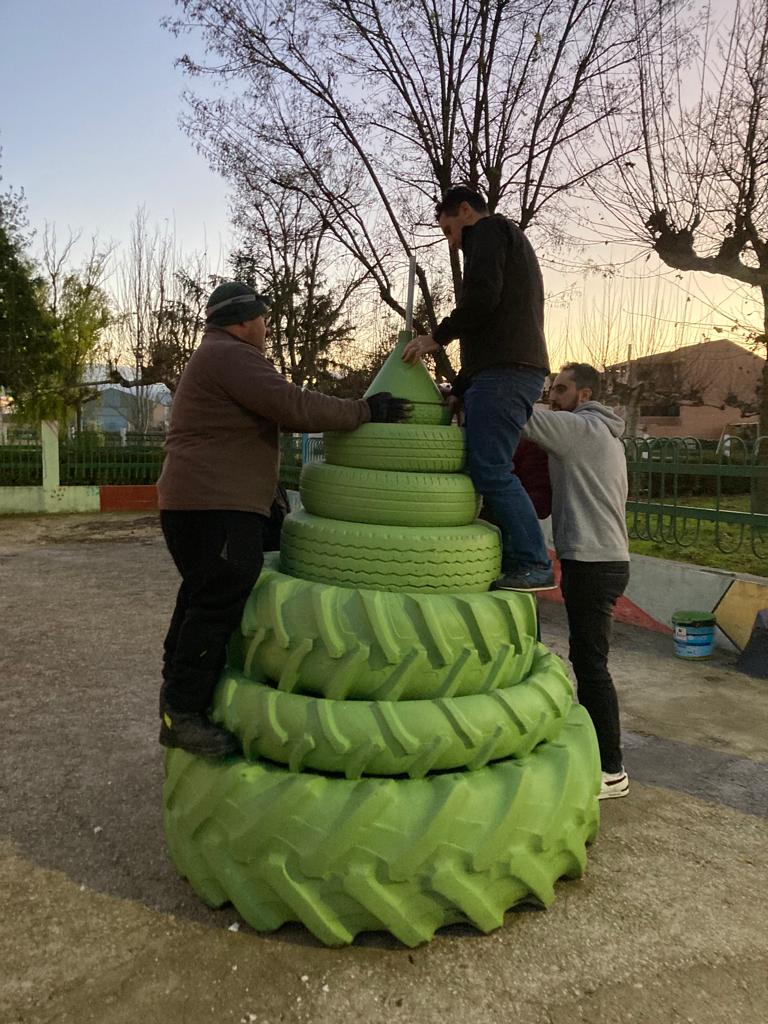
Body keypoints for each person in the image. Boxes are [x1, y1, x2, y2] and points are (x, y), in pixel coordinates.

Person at [156, 281, 410, 759]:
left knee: (201, 595)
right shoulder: (231, 355)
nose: (267, 328)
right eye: (263, 319)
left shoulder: (214, 355)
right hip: (214, 505)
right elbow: (290, 404)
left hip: (197, 502)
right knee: (215, 603)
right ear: (243, 320)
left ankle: (177, 699)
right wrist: (363, 411)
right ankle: (183, 713)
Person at [402, 186, 554, 592]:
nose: (451, 241)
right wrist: (463, 387)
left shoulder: (487, 232)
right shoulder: (510, 241)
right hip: (504, 370)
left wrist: (438, 336)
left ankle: (534, 562)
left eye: (449, 229)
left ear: (466, 211)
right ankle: (506, 557)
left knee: (492, 470)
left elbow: (483, 300)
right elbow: (491, 329)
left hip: (507, 374)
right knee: (484, 469)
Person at [523, 362, 631, 799]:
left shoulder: (580, 429)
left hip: (593, 562)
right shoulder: (601, 432)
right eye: (550, 388)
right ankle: (602, 758)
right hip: (601, 559)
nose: (553, 395)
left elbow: (516, 414)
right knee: (588, 661)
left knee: (591, 666)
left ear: (584, 395)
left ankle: (612, 770)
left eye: (561, 389)